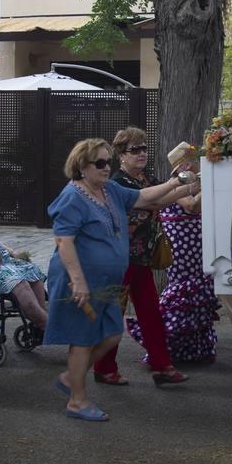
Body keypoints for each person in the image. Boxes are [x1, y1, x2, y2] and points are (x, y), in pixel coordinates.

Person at [44, 138, 197, 422]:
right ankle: (77, 400)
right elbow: (64, 241)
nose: (106, 167)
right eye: (99, 163)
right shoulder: (72, 197)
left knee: (112, 333)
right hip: (80, 280)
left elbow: (147, 198)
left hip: (106, 281)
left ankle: (70, 377)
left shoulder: (109, 189)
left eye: (108, 162)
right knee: (82, 339)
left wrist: (179, 183)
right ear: (81, 166)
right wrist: (77, 282)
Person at [93, 127, 188, 386]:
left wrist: (189, 182)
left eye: (144, 148)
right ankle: (103, 367)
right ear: (121, 155)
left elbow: (165, 198)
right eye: (135, 150)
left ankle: (162, 367)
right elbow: (153, 203)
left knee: (150, 313)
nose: (142, 153)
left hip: (141, 258)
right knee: (114, 313)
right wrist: (181, 184)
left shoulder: (147, 179)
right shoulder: (117, 184)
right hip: (121, 258)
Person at [156, 148, 219, 363]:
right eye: (194, 162)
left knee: (199, 288)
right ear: (185, 166)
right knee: (182, 289)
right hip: (181, 245)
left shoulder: (197, 181)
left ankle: (197, 347)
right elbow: (191, 206)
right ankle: (171, 341)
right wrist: (207, 184)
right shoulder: (176, 183)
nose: (198, 166)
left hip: (196, 243)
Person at [0, 244, 48, 331]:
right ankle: (44, 322)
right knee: (18, 281)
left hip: (4, 260)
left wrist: (12, 252)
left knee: (33, 270)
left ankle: (40, 317)